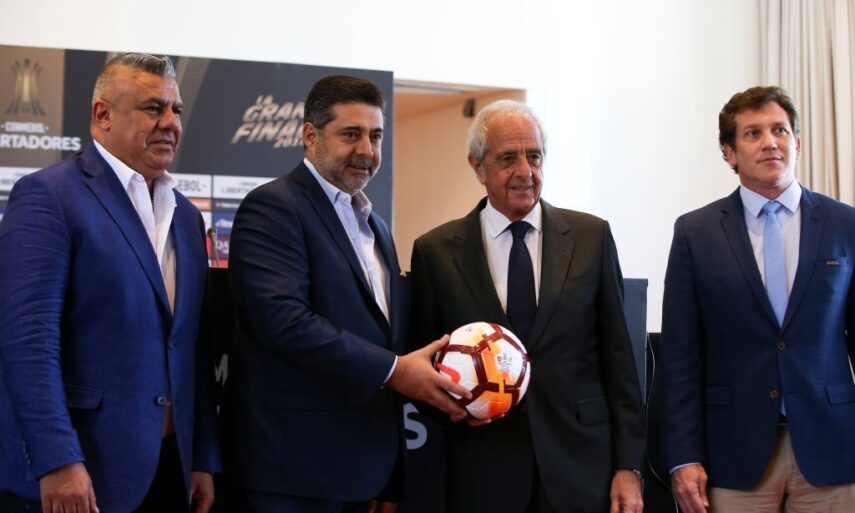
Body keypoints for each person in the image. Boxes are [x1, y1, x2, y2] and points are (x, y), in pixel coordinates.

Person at [227, 74, 470, 513]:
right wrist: (394, 370)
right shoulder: (274, 206)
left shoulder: (376, 225)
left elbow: (383, 334)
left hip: (363, 472)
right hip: (292, 473)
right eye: (351, 134)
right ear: (310, 136)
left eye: (375, 136)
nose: (366, 150)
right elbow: (282, 321)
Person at [0, 53, 221, 513]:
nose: (170, 123)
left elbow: (191, 347)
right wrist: (57, 459)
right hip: (80, 471)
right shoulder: (48, 195)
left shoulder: (186, 216)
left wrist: (200, 455)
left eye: (176, 110)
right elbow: (27, 342)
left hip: (170, 468)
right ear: (102, 115)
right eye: (152, 108)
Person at [409, 100, 645, 513]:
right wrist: (457, 412)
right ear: (478, 167)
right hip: (483, 470)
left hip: (581, 469)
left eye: (534, 156)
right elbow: (424, 372)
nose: (525, 171)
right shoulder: (435, 252)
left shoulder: (591, 237)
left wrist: (629, 467)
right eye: (508, 158)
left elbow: (620, 363)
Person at [662, 86, 855, 513]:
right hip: (733, 452)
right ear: (729, 152)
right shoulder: (696, 233)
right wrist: (683, 456)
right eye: (753, 133)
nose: (770, 142)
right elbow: (680, 357)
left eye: (779, 130)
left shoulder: (846, 224)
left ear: (797, 143)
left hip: (834, 448)